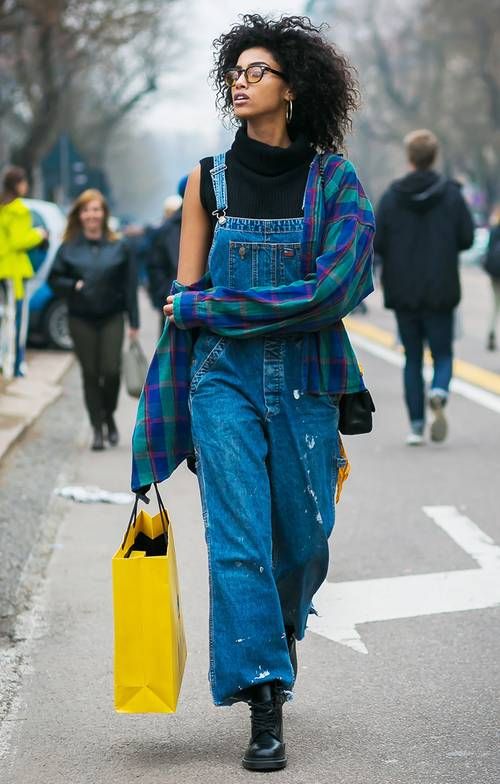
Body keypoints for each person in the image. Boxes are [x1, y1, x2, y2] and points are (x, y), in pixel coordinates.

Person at [132, 15, 374, 772]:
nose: (241, 80)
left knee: (303, 541)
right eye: (235, 70)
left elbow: (331, 293)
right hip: (221, 383)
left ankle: (279, 630)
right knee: (238, 543)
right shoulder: (206, 181)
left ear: (294, 88)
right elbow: (184, 298)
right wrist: (157, 421)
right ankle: (264, 700)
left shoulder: (335, 183)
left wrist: (212, 310)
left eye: (257, 70)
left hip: (305, 381)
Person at [374, 129, 474, 446]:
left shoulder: (391, 197)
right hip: (441, 289)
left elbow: (377, 242)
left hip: (403, 292)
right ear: (434, 157)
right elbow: (467, 238)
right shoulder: (452, 195)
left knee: (413, 360)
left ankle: (416, 426)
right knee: (442, 354)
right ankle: (440, 391)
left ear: (409, 158)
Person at [49, 189, 139, 450]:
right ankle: (97, 428)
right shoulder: (68, 248)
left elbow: (129, 285)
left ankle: (108, 414)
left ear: (104, 214)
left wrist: (134, 321)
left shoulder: (119, 246)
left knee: (111, 371)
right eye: (87, 210)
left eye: (97, 209)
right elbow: (54, 280)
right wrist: (72, 285)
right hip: (81, 318)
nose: (92, 215)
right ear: (80, 214)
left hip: (112, 316)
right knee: (90, 373)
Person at [0, 166, 48, 376]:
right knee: (17, 319)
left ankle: (6, 362)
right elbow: (20, 240)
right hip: (15, 271)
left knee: (5, 318)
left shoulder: (2, 207)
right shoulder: (19, 209)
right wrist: (38, 234)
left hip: (3, 269)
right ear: (18, 184)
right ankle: (14, 365)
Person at [147, 176, 188, 335]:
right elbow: (155, 267)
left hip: (208, 310)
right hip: (173, 307)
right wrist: (165, 297)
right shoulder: (166, 230)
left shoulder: (218, 224)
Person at [484, 206, 500, 351]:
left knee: (496, 306)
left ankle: (492, 331)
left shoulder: (494, 230)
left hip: (495, 274)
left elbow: (488, 252)